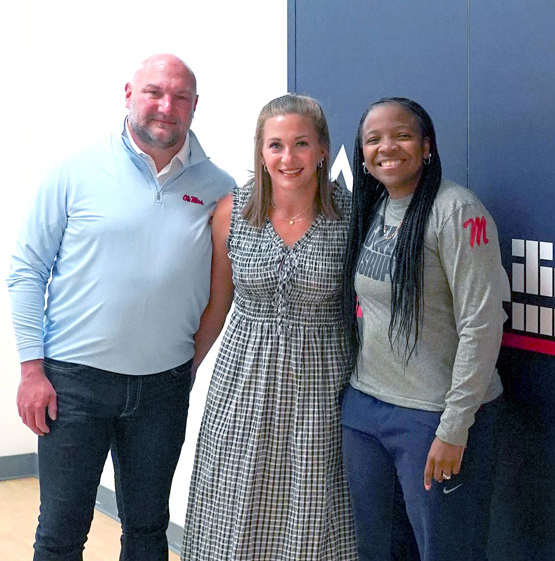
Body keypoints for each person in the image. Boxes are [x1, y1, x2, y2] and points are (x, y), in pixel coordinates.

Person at [7, 54, 235, 560]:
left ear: (195, 107)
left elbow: (221, 293)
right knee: (61, 534)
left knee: (149, 532)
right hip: (73, 385)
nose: (165, 106)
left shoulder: (219, 189)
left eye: (179, 97)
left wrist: (184, 366)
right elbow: (26, 271)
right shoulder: (74, 171)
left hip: (161, 391)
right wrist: (30, 369)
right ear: (128, 94)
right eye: (154, 92)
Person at [182, 94, 357, 560]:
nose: (288, 157)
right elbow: (218, 306)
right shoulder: (232, 211)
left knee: (314, 509)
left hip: (321, 386)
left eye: (301, 144)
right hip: (242, 385)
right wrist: (185, 373)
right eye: (275, 145)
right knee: (234, 506)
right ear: (260, 151)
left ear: (323, 149)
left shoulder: (352, 215)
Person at [339, 97, 507, 561]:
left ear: (427, 145)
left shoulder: (457, 211)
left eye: (402, 135)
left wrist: (454, 428)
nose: (386, 147)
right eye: (373, 139)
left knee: (446, 552)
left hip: (433, 417)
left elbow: (483, 323)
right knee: (379, 552)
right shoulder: (371, 209)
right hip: (366, 410)